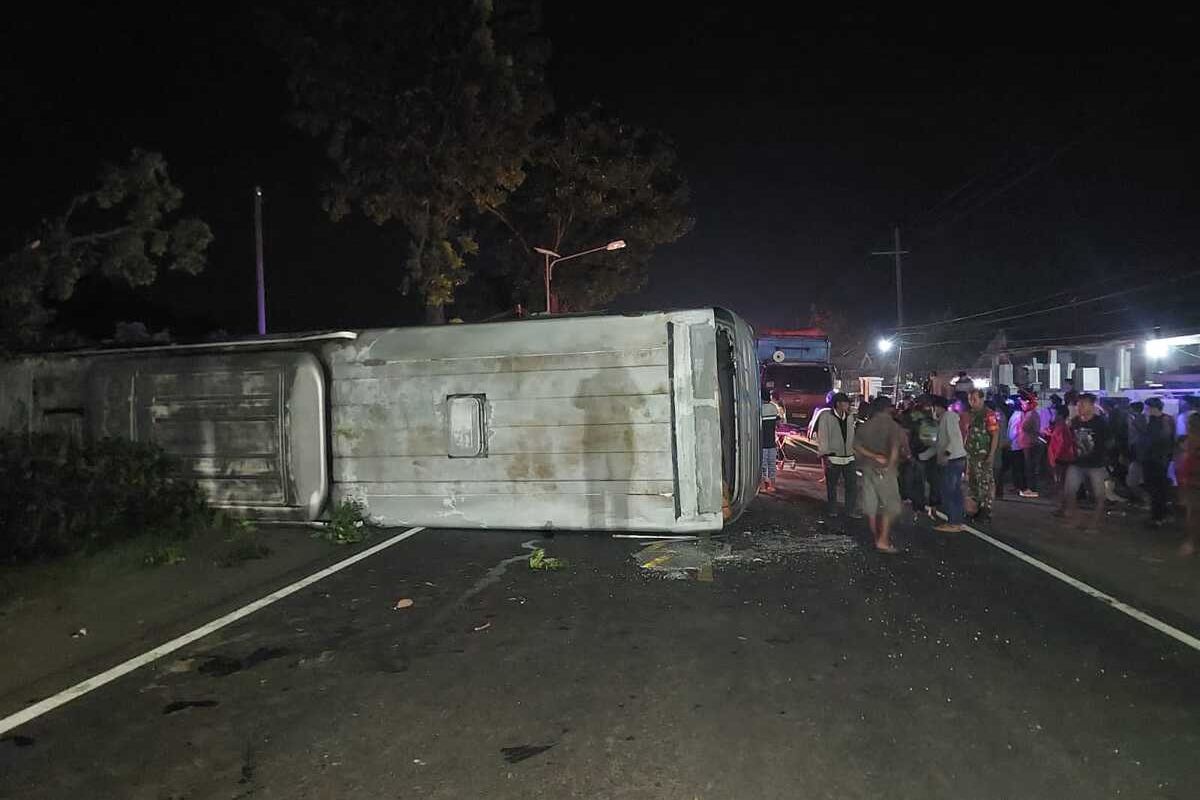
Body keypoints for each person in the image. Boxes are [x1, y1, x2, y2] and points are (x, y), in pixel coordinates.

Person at [853, 396, 904, 554]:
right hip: (884, 472)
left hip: (867, 469)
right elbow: (895, 451)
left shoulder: (865, 426)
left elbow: (855, 446)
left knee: (871, 506)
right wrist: (887, 465)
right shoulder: (893, 426)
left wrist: (872, 456)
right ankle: (882, 540)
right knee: (891, 506)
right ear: (888, 408)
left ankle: (875, 536)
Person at [1060, 393, 1110, 533]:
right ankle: (1075, 519)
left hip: (1096, 464)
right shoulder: (1075, 421)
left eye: (1083, 404)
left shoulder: (1101, 422)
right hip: (1077, 463)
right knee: (1069, 492)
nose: (1079, 407)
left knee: (1099, 495)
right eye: (1078, 404)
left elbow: (1109, 441)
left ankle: (1094, 523)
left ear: (1092, 406)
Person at [815, 392, 859, 518]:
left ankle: (850, 510)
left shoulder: (849, 417)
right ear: (838, 404)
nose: (848, 405)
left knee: (852, 486)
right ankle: (832, 509)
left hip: (849, 456)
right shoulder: (826, 416)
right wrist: (825, 454)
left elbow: (851, 435)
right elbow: (822, 436)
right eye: (846, 403)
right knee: (832, 486)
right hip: (833, 456)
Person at [931, 396, 967, 533]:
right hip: (955, 459)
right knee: (955, 491)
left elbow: (954, 438)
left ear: (938, 407)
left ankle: (953, 522)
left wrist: (946, 454)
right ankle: (957, 520)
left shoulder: (948, 417)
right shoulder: (946, 418)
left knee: (949, 491)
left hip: (953, 459)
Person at [963, 389, 1000, 521]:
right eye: (970, 399)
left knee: (985, 483)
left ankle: (986, 510)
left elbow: (995, 435)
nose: (972, 402)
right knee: (972, 483)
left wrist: (991, 455)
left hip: (983, 455)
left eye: (974, 399)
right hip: (971, 455)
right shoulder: (970, 414)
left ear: (982, 399)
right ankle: (974, 508)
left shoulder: (988, 414)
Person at [1140, 397, 1176, 528]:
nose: (1146, 410)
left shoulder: (1163, 421)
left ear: (1153, 408)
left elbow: (1163, 441)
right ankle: (1160, 514)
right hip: (1156, 460)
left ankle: (1158, 516)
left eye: (1147, 408)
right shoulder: (1160, 420)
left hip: (1157, 460)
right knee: (1157, 489)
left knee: (1157, 489)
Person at [1176, 412, 1200, 557]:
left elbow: (1189, 463)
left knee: (1194, 514)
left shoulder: (1192, 440)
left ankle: (1191, 543)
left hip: (1194, 482)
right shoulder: (1191, 440)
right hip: (1193, 481)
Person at [1018, 392, 1043, 498]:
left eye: (1023, 403)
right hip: (1027, 443)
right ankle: (1031, 487)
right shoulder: (1030, 414)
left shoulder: (1031, 414)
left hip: (1031, 444)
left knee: (1030, 467)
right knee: (1029, 467)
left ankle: (1032, 488)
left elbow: (1024, 427)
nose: (1022, 405)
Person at [1046, 404, 1074, 489]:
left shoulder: (1062, 428)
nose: (1054, 416)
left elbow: (1063, 443)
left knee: (1060, 480)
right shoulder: (1060, 427)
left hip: (1060, 458)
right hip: (1058, 457)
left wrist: (1056, 457)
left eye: (1056, 414)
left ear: (1061, 415)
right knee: (1059, 479)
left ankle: (1062, 498)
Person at [760, 399, 781, 493]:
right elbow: (778, 423)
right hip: (772, 443)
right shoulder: (773, 407)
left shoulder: (760, 409)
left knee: (763, 465)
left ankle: (763, 486)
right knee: (772, 464)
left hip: (762, 443)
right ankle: (772, 485)